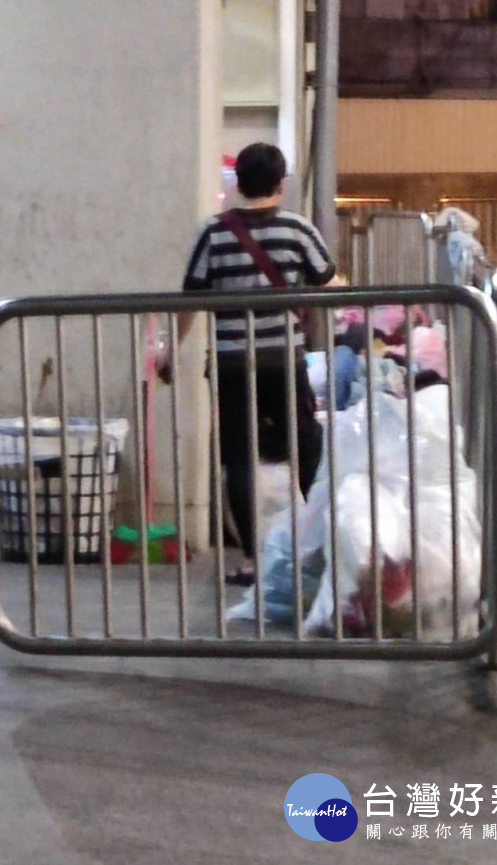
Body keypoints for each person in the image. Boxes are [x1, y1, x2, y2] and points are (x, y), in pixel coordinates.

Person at [166, 143, 337, 585]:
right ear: (281, 184)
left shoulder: (213, 233)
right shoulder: (297, 229)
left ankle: (250, 558)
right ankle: (321, 547)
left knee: (240, 456)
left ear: (238, 183)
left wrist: (170, 352)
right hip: (283, 358)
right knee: (305, 444)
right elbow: (331, 281)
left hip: (231, 361)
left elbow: (190, 298)